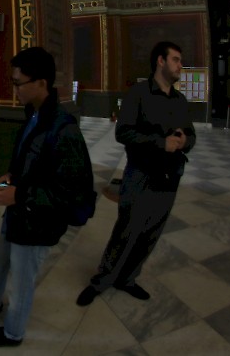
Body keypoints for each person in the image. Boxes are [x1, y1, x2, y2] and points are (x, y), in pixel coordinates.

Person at [0, 47, 92, 348]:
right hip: (20, 214)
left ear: (41, 83)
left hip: (37, 221)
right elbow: (31, 159)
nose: (15, 89)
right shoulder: (34, 114)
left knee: (21, 282)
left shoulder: (64, 129)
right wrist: (12, 175)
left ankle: (13, 334)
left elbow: (72, 192)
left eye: (19, 83)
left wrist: (20, 193)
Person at [76, 41, 195, 307]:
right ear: (160, 61)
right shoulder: (138, 94)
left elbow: (191, 135)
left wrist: (184, 141)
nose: (180, 65)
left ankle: (127, 279)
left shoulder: (180, 101)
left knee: (150, 233)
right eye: (176, 59)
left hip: (169, 176)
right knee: (127, 230)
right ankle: (102, 281)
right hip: (141, 174)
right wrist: (160, 143)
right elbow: (124, 132)